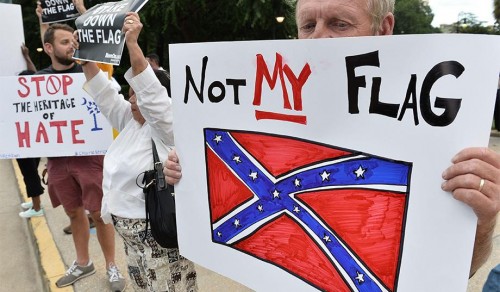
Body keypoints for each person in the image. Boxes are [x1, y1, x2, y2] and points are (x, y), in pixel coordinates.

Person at [164, 0, 500, 279]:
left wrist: (482, 224)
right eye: (308, 26)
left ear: (383, 28)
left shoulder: (432, 126)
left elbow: (439, 276)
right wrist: (191, 171)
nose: (318, 39)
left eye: (340, 24)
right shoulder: (261, 101)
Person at [77, 12, 198, 292]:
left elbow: (152, 97)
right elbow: (105, 95)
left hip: (157, 235)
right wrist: (85, 56)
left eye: (137, 94)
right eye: (130, 93)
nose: (132, 100)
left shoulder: (168, 126)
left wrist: (132, 43)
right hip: (131, 239)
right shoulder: (130, 121)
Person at [37, 23, 125, 291]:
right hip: (57, 159)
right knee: (74, 212)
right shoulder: (36, 81)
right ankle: (83, 262)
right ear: (49, 48)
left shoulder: (89, 72)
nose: (70, 46)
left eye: (72, 41)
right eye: (64, 42)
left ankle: (112, 265)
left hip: (90, 156)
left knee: (99, 213)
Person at [17, 44, 46, 218]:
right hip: (33, 140)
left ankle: (37, 208)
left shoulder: (20, 101)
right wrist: (27, 57)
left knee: (29, 174)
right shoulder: (37, 95)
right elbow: (34, 74)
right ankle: (35, 202)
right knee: (31, 173)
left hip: (24, 142)